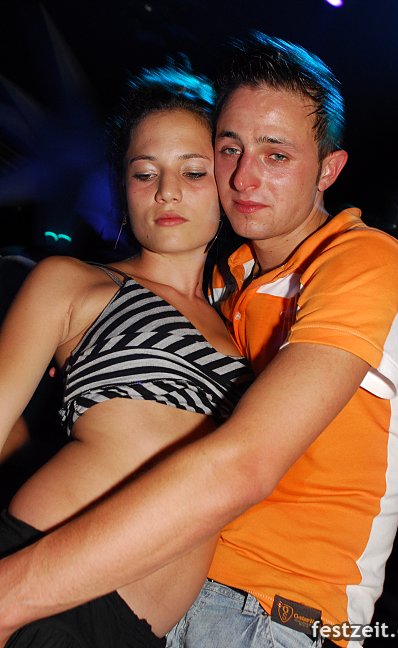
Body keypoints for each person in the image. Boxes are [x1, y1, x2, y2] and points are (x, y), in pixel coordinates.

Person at [0, 32, 398, 648]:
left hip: (272, 614)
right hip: (124, 587)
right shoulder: (231, 286)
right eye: (231, 150)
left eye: (276, 155)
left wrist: (11, 592)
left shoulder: (360, 261)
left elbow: (244, 464)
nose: (245, 177)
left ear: (329, 170)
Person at [0, 66, 253, 646]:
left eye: (193, 171)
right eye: (145, 173)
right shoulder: (74, 282)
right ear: (123, 187)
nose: (167, 191)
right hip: (35, 575)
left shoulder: (245, 325)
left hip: (142, 631)